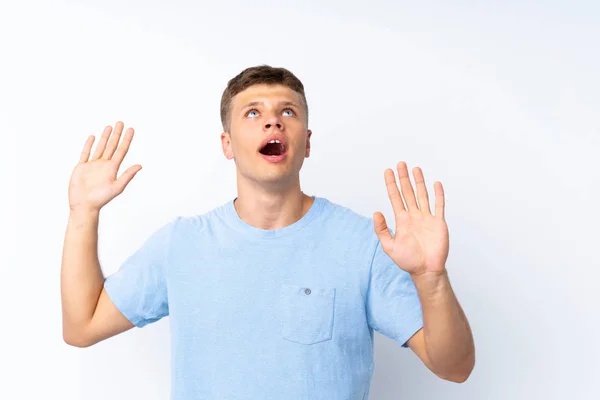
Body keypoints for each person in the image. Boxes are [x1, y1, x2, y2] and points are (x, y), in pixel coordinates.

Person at [61, 65, 475, 399]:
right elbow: (82, 326)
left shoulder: (363, 244)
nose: (272, 121)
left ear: (306, 142)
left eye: (288, 112)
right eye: (253, 112)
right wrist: (83, 214)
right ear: (227, 144)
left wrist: (431, 279)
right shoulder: (181, 245)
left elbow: (454, 367)